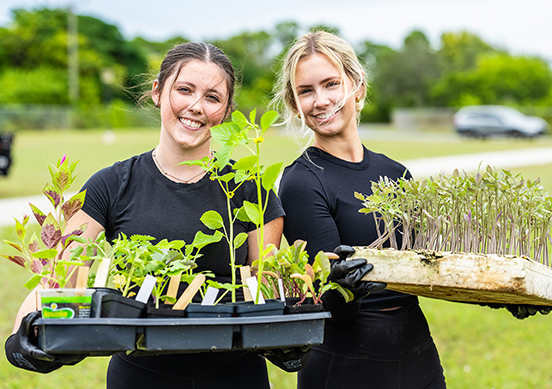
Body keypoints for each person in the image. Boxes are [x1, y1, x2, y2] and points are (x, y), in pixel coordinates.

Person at [5, 42, 285, 388]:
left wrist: (288, 343)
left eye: (212, 98)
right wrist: (25, 338)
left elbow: (268, 292)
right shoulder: (111, 185)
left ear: (226, 111)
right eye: (184, 90)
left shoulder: (249, 189)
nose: (196, 106)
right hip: (139, 376)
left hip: (236, 376)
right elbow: (59, 280)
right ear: (157, 92)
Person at [273, 31, 447, 388]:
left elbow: (431, 270)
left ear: (358, 86)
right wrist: (340, 288)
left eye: (331, 84)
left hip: (418, 355)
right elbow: (334, 308)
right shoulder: (302, 182)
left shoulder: (396, 173)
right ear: (295, 105)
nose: (320, 100)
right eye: (306, 91)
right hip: (344, 363)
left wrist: (500, 297)